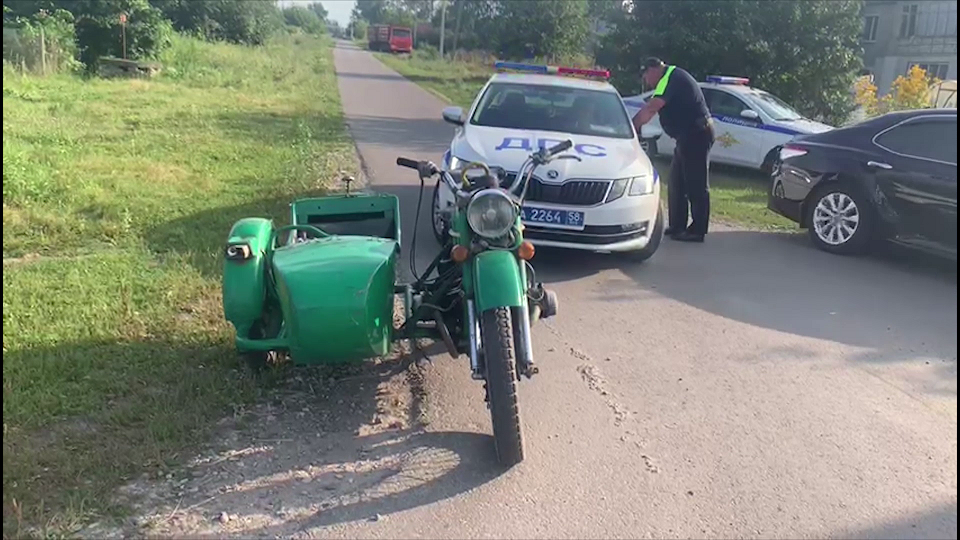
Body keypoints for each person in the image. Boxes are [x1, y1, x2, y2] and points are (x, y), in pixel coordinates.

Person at [631, 57, 714, 243]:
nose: (646, 81)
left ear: (653, 70)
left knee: (695, 183)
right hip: (687, 137)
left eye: (645, 76)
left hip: (697, 134)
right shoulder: (669, 76)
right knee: (677, 183)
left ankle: (697, 230)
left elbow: (652, 108)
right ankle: (677, 225)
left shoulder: (669, 78)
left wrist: (632, 127)